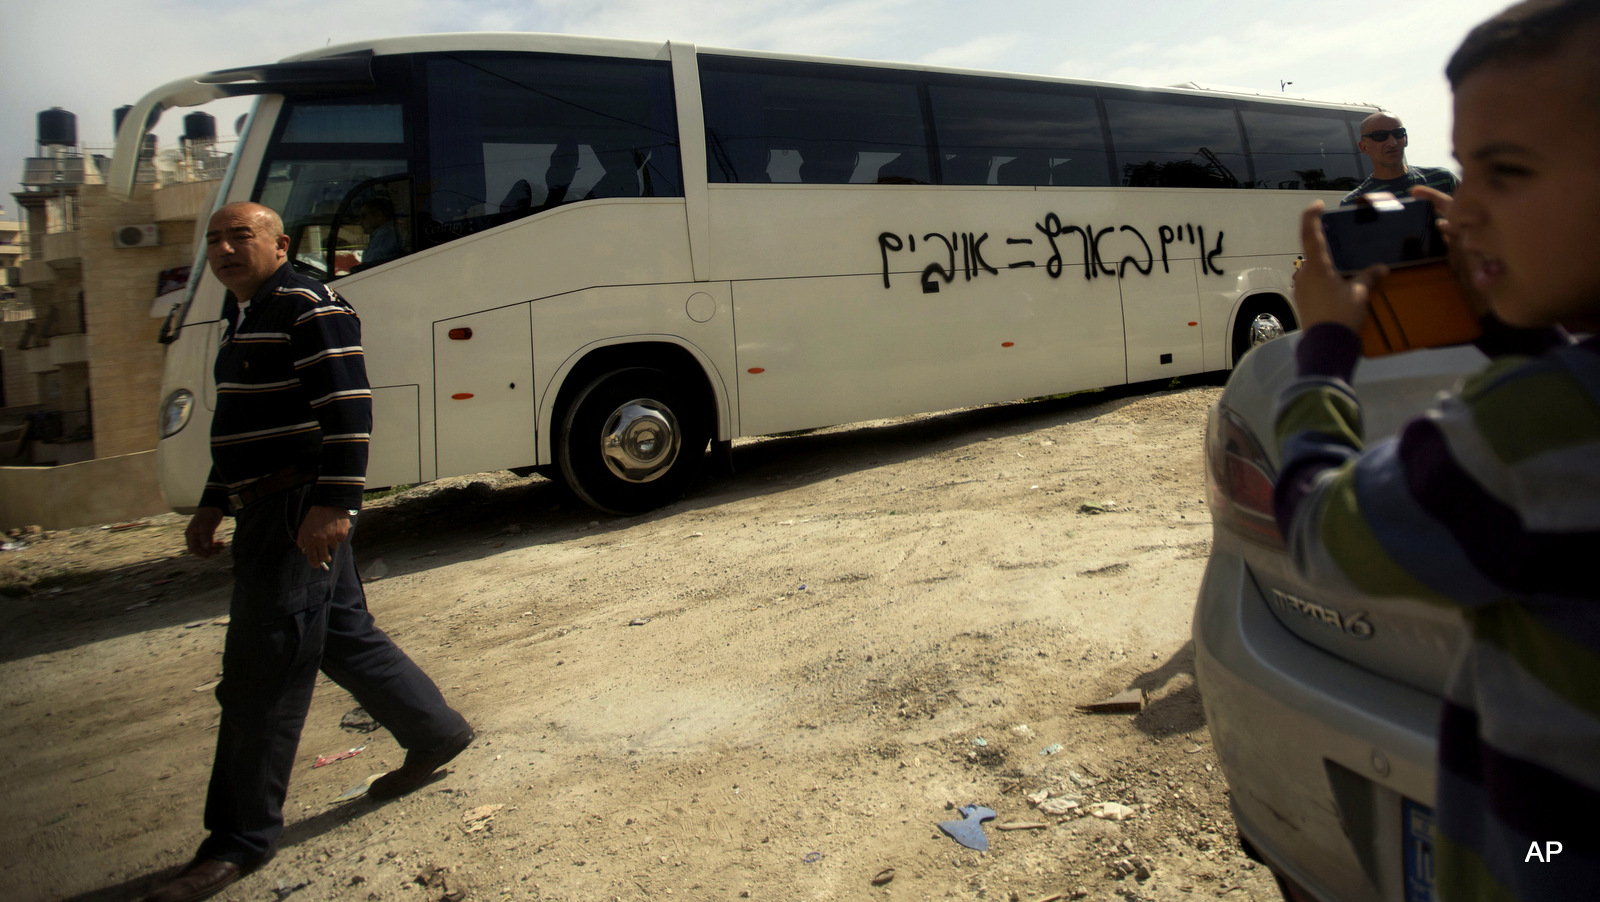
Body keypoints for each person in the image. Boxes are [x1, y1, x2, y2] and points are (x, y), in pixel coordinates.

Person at [1277, 1, 1598, 898]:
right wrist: (1512, 320)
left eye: (1508, 174)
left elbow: (1316, 528)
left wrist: (1327, 348)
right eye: (1467, 174)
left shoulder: (1533, 427)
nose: (1465, 214)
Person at [142, 202, 473, 902]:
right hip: (264, 505)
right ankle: (435, 731)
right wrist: (212, 499)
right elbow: (242, 419)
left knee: (264, 667)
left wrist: (337, 504)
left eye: (242, 236)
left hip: (297, 509)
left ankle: (239, 840)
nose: (226, 249)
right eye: (215, 240)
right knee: (341, 636)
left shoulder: (306, 303)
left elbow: (349, 406)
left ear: (279, 243)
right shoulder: (245, 314)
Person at [1340, 110, 1461, 204]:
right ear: (1364, 147)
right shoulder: (1355, 202)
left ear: (1406, 139)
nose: (1392, 142)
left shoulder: (1443, 180)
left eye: (1398, 134)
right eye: (1380, 136)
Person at [358, 197, 402, 268]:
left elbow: (368, 267)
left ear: (378, 215)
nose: (360, 222)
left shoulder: (384, 235)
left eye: (364, 216)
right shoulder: (385, 232)